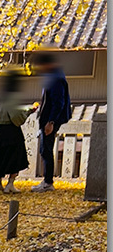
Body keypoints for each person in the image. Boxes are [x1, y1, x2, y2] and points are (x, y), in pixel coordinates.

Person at [0, 69, 36, 194]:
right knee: (15, 157)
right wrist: (29, 111)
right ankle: (10, 184)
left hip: (0, 129)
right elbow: (15, 115)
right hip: (11, 130)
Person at [32, 52, 72, 191]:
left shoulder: (56, 78)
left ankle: (48, 182)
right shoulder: (54, 76)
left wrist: (51, 122)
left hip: (51, 119)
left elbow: (58, 103)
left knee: (46, 149)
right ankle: (47, 181)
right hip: (48, 118)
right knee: (45, 149)